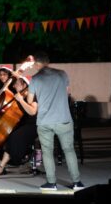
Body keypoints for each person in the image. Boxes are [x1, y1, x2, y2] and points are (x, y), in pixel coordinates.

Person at [14, 51, 83, 190]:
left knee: (47, 152)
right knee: (69, 150)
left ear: (36, 64)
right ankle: (77, 183)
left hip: (45, 122)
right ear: (48, 61)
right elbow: (67, 93)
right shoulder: (62, 74)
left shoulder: (35, 79)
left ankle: (51, 183)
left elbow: (30, 101)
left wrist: (21, 97)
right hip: (64, 119)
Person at [0, 75, 37, 175]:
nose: (15, 86)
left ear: (24, 85)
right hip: (21, 124)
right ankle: (5, 164)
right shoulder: (18, 96)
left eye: (17, 84)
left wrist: (21, 100)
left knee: (15, 136)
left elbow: (33, 112)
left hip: (32, 125)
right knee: (4, 135)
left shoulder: (32, 96)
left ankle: (3, 165)